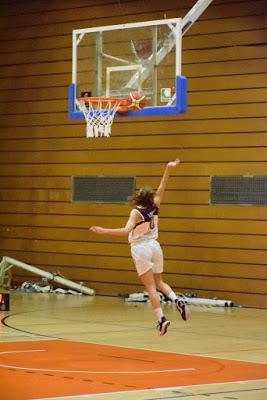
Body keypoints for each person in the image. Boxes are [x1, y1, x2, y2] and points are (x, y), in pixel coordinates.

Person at [90, 158, 190, 336]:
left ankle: (161, 319)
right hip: (155, 246)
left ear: (139, 197)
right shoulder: (156, 205)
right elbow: (162, 186)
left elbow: (126, 230)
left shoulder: (136, 212)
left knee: (151, 287)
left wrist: (104, 231)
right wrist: (168, 168)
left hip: (141, 248)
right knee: (159, 282)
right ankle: (176, 299)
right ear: (150, 197)